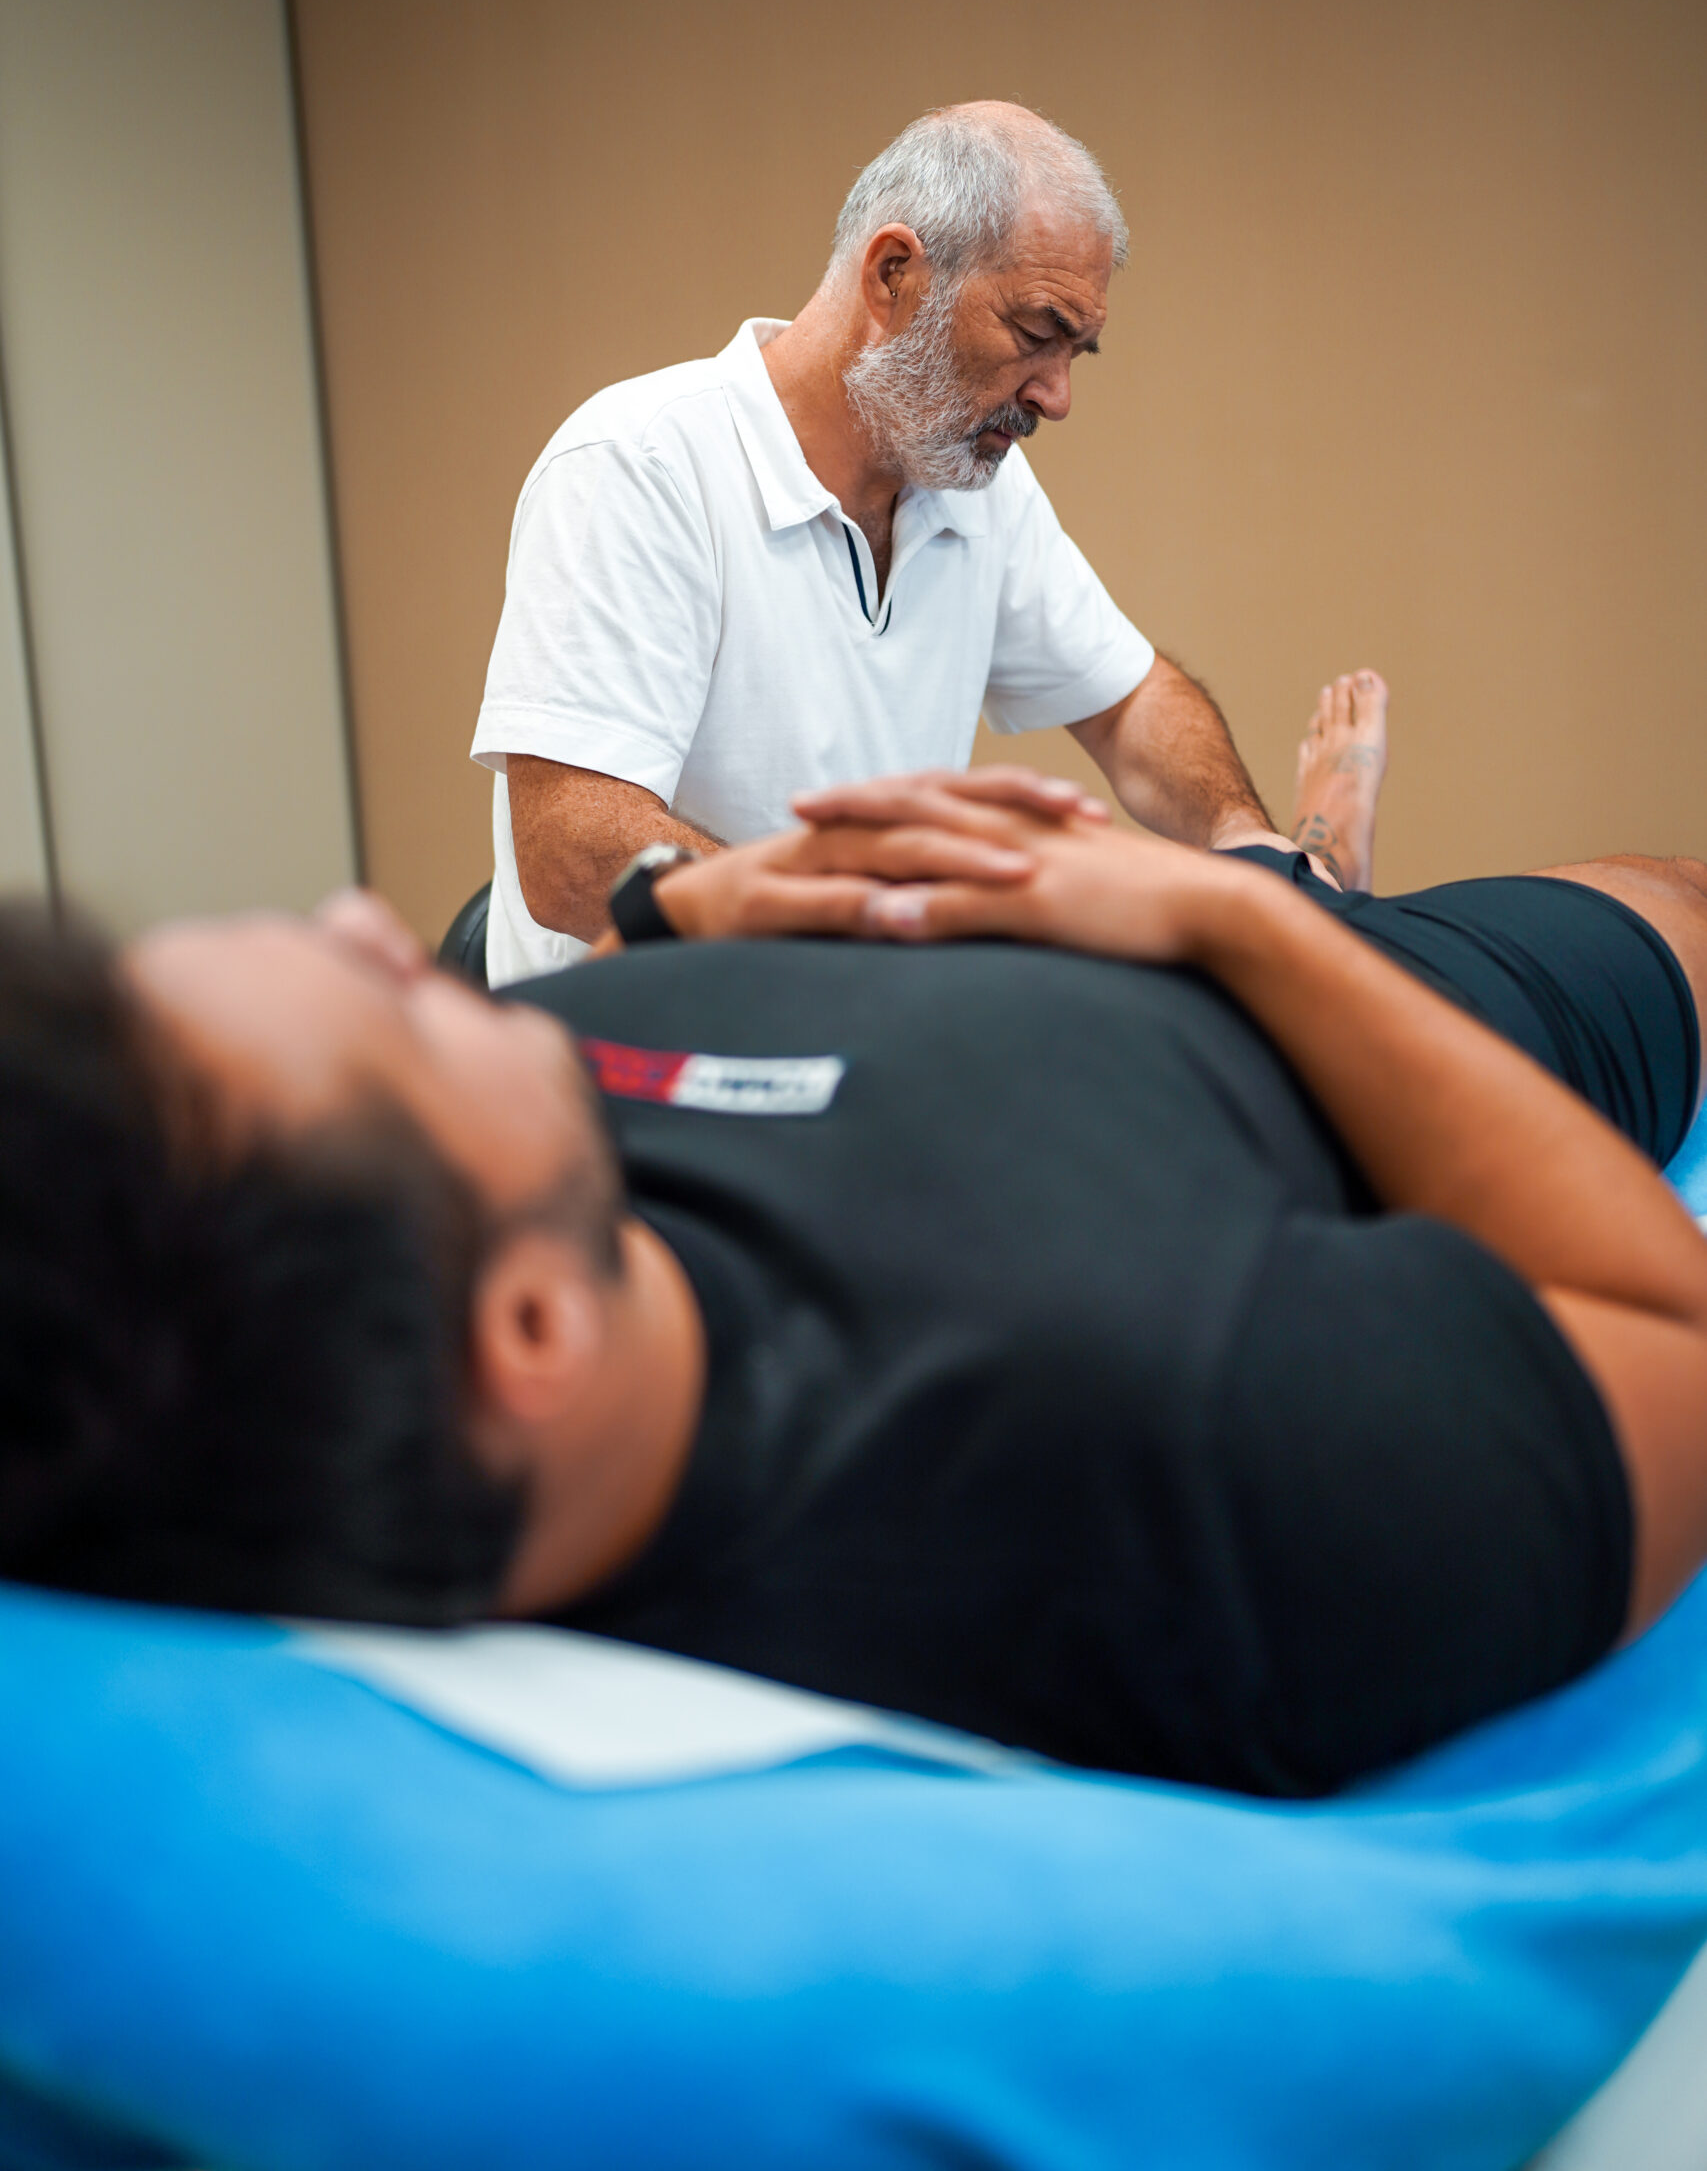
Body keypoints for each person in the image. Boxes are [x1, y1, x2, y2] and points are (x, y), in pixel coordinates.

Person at [4, 729, 1706, 1799]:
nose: (376, 927)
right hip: (1349, 1005)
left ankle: (1300, 846)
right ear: (525, 1333)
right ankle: (1307, 866)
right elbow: (1662, 1329)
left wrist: (691, 911)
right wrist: (1236, 922)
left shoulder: (439, 1243)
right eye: (395, 1013)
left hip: (998, 930)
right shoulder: (1194, 1446)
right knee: (1674, 898)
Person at [472, 100, 1369, 984]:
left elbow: (1127, 703)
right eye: (1035, 334)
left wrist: (1242, 840)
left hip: (870, 1012)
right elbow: (570, 851)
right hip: (642, 1037)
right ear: (893, 275)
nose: (1056, 397)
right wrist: (868, 925)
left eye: (1075, 353)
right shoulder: (641, 462)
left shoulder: (972, 482)